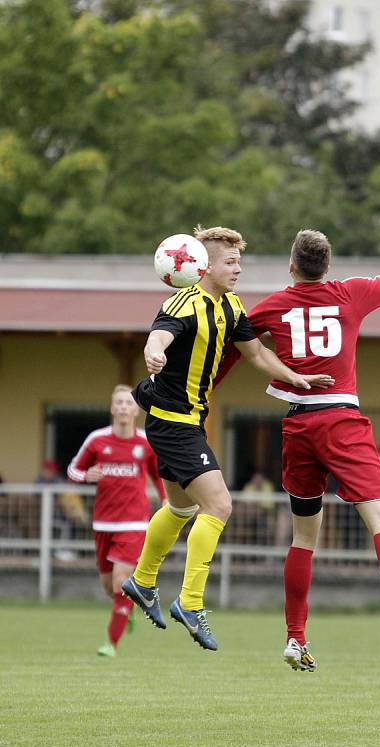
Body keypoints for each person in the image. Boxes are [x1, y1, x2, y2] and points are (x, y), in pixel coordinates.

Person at [219, 230, 380, 670]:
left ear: (292, 267)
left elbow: (236, 349)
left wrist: (205, 388)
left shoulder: (273, 305)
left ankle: (295, 638)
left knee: (302, 537)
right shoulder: (351, 293)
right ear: (328, 267)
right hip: (341, 422)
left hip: (298, 424)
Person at [121, 226, 333, 652]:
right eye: (231, 262)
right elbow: (160, 332)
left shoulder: (232, 307)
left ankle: (143, 582)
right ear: (205, 265)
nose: (239, 269)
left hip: (185, 420)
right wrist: (153, 351)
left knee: (180, 507)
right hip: (173, 422)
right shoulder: (184, 300)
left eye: (240, 261)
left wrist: (294, 376)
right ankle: (191, 602)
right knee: (219, 503)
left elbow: (256, 354)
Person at [68, 385, 166, 657]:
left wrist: (166, 500)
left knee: (121, 581)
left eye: (128, 403)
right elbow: (73, 469)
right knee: (109, 587)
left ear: (136, 410)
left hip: (134, 522)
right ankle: (128, 606)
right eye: (119, 403)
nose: (123, 407)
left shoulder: (146, 442)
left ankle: (111, 643)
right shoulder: (97, 440)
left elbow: (159, 475)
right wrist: (85, 476)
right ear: (112, 408)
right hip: (103, 523)